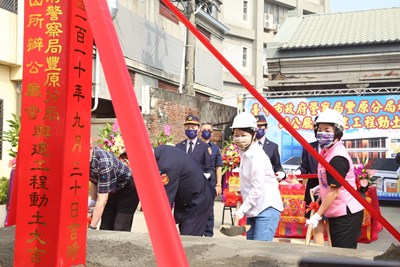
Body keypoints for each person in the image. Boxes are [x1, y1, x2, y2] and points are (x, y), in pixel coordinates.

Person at [305, 108, 364, 249]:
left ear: (337, 132)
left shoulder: (337, 157)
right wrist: (321, 186)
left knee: (343, 255)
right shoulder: (328, 151)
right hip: (337, 212)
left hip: (346, 214)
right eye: (319, 129)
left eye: (327, 130)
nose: (322, 133)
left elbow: (334, 191)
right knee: (336, 252)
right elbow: (331, 180)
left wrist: (317, 216)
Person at [231, 112, 283, 241]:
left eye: (243, 135)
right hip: (254, 209)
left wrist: (241, 210)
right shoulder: (245, 155)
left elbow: (257, 189)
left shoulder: (257, 157)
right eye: (236, 135)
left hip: (266, 208)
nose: (239, 139)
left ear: (254, 134)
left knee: (258, 253)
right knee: (251, 251)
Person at [154, 145, 214, 236]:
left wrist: (160, 227)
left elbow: (165, 199)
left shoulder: (167, 165)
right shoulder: (162, 150)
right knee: (184, 235)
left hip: (198, 200)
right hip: (187, 200)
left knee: (188, 239)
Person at [175, 115, 215, 236]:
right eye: (188, 127)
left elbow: (210, 168)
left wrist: (204, 178)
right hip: (183, 190)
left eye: (193, 127)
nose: (190, 129)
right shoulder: (178, 147)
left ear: (198, 129)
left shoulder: (204, 147)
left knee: (197, 219)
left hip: (199, 190)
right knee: (184, 219)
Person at [88, 146, 139, 231]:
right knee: (105, 227)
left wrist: (91, 227)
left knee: (120, 228)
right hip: (111, 189)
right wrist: (93, 202)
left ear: (90, 147)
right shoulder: (82, 160)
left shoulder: (103, 163)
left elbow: (102, 200)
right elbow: (95, 180)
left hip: (128, 189)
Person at [295, 116, 324, 245]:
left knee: (331, 221)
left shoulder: (336, 149)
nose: (321, 132)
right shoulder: (309, 147)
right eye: (318, 128)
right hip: (313, 189)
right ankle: (319, 249)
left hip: (329, 188)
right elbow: (305, 166)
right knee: (316, 221)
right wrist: (300, 171)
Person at [199, 122, 223, 237]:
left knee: (209, 210)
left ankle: (208, 234)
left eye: (209, 130)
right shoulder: (196, 146)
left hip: (210, 183)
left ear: (212, 132)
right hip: (196, 182)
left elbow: (218, 167)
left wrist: (218, 184)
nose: (206, 132)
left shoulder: (215, 149)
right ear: (200, 131)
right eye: (204, 130)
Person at [254, 115, 286, 181]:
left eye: (260, 127)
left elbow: (277, 167)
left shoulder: (273, 146)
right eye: (255, 127)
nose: (257, 129)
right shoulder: (247, 145)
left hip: (266, 183)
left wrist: (281, 174)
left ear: (266, 128)